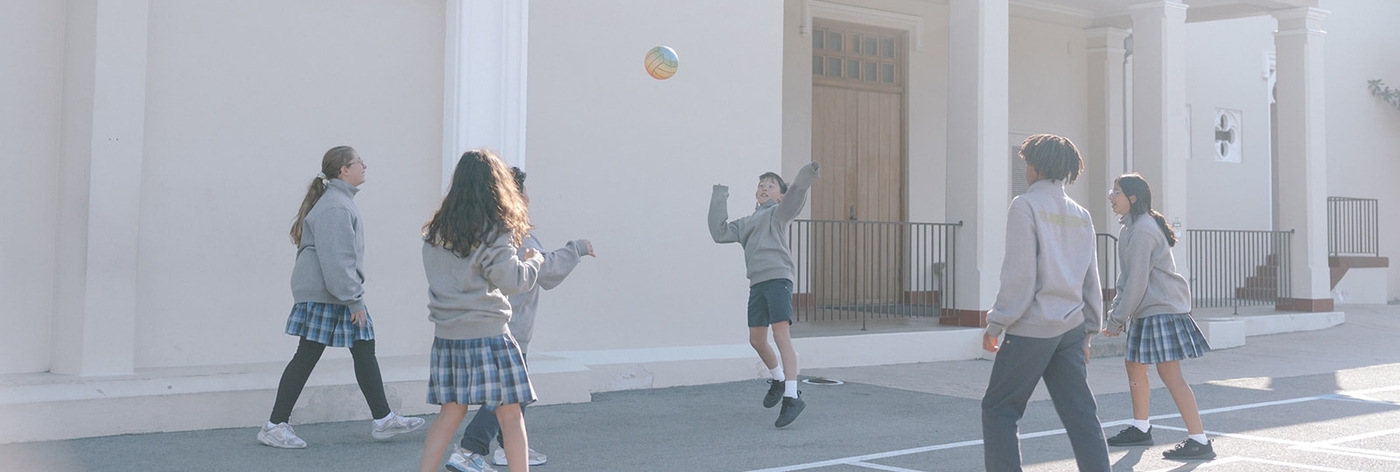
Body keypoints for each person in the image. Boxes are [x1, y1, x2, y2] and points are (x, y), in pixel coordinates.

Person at [257, 146, 424, 449]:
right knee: (310, 353)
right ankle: (274, 425)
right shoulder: (336, 206)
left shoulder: (338, 201)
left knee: (361, 345)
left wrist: (351, 296)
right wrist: (353, 299)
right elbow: (337, 260)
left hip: (330, 291)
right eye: (359, 162)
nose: (365, 165)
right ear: (343, 170)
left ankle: (383, 419)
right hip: (328, 292)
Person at [446, 167, 595, 471]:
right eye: (524, 191)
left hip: (487, 325)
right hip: (508, 329)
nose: (529, 197)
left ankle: (506, 449)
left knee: (517, 393)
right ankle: (469, 451)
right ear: (513, 196)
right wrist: (576, 248)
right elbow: (546, 269)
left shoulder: (480, 227)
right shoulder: (514, 232)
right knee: (506, 393)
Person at [981, 134, 1111, 472]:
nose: (1025, 169)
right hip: (1070, 329)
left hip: (1032, 329)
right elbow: (1090, 279)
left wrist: (996, 323)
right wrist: (1088, 334)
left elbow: (1019, 276)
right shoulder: (1081, 214)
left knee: (999, 410)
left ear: (1036, 167)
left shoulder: (1025, 205)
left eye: (1026, 163)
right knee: (1082, 416)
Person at [418, 150, 543, 472]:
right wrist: (534, 260)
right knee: (510, 414)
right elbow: (514, 281)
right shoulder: (494, 229)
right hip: (488, 334)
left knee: (450, 412)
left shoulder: (436, 231)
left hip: (447, 336)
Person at [1102, 173, 1214, 460]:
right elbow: (1126, 279)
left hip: (1161, 308)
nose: (1111, 197)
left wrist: (1116, 320)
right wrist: (1117, 313)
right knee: (1135, 366)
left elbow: (1137, 283)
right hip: (1149, 308)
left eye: (1116, 192)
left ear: (1133, 197)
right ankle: (1141, 428)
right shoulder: (1129, 229)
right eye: (1111, 191)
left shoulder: (1143, 231)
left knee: (1169, 373)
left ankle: (1199, 440)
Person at [708, 161, 820, 428]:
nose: (764, 188)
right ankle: (779, 379)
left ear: (779, 195)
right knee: (757, 340)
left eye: (771, 186)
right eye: (761, 185)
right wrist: (719, 193)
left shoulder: (778, 214)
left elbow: (796, 195)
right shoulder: (746, 222)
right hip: (757, 283)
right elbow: (718, 232)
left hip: (778, 279)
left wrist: (806, 174)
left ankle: (792, 396)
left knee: (781, 336)